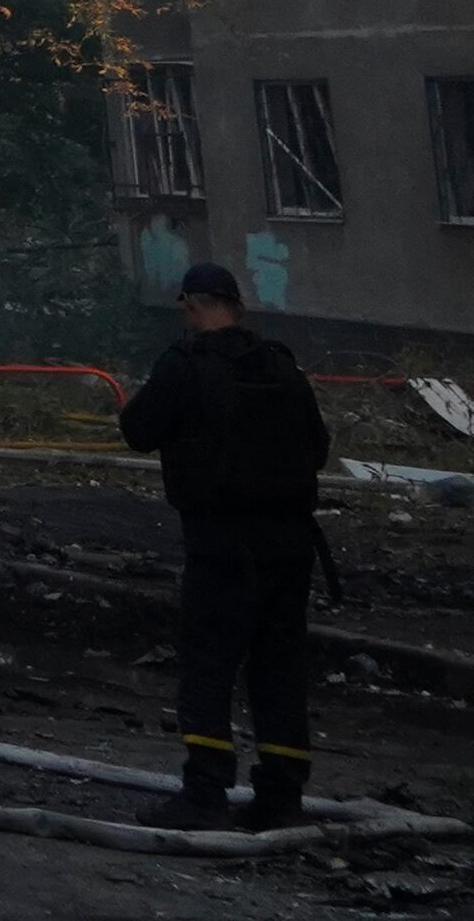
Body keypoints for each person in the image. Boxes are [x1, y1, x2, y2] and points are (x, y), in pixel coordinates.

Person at [118, 261, 332, 830]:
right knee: (279, 668)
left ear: (190, 305)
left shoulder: (185, 366)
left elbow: (137, 430)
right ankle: (282, 797)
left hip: (223, 545)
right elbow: (318, 448)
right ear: (237, 306)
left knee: (210, 666)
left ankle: (205, 791)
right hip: (290, 548)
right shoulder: (283, 368)